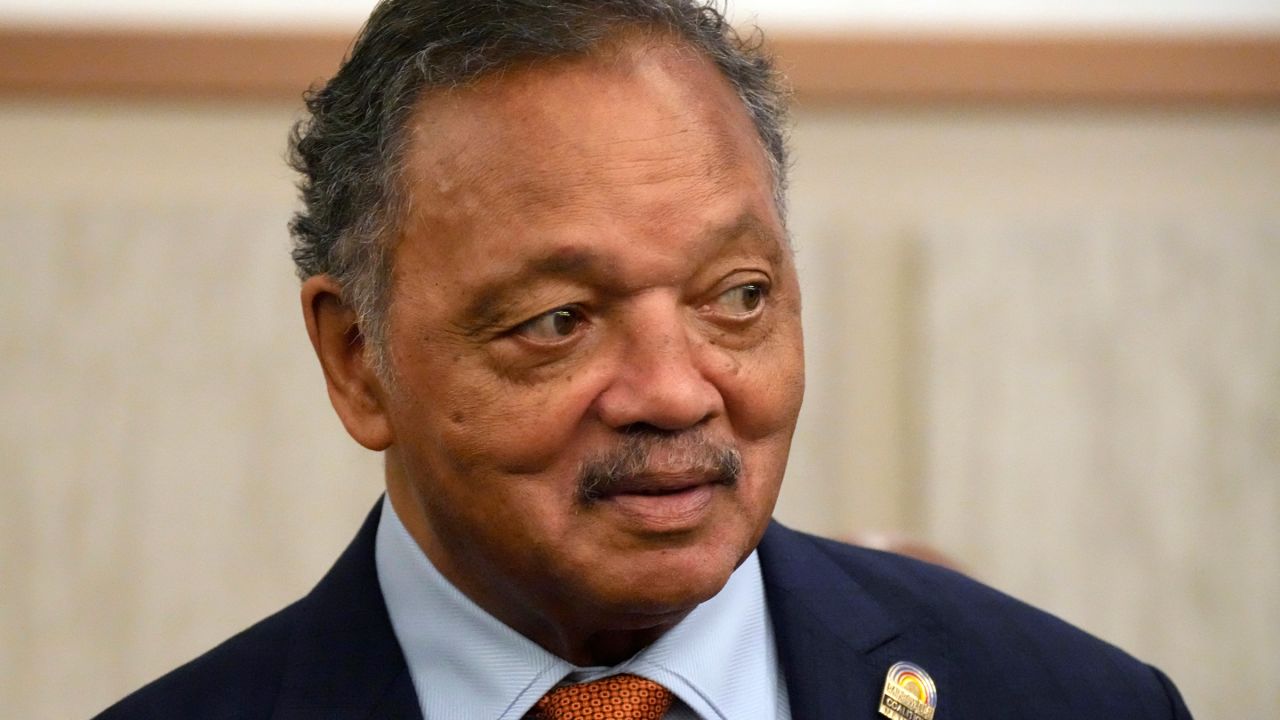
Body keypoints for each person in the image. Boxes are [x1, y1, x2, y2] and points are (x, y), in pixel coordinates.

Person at [95, 1, 1193, 718]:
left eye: (736, 297)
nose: (674, 392)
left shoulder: (1075, 702)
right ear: (356, 360)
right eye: (559, 320)